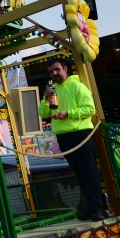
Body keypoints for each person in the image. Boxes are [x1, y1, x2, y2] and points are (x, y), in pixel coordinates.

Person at [39, 58, 108, 221]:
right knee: (80, 174)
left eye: (57, 69)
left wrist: (68, 113)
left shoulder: (77, 86)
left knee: (89, 172)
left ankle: (98, 209)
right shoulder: (52, 90)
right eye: (51, 71)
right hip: (63, 136)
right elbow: (43, 113)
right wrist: (45, 99)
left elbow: (89, 109)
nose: (54, 73)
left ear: (65, 69)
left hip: (81, 134)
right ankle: (94, 207)